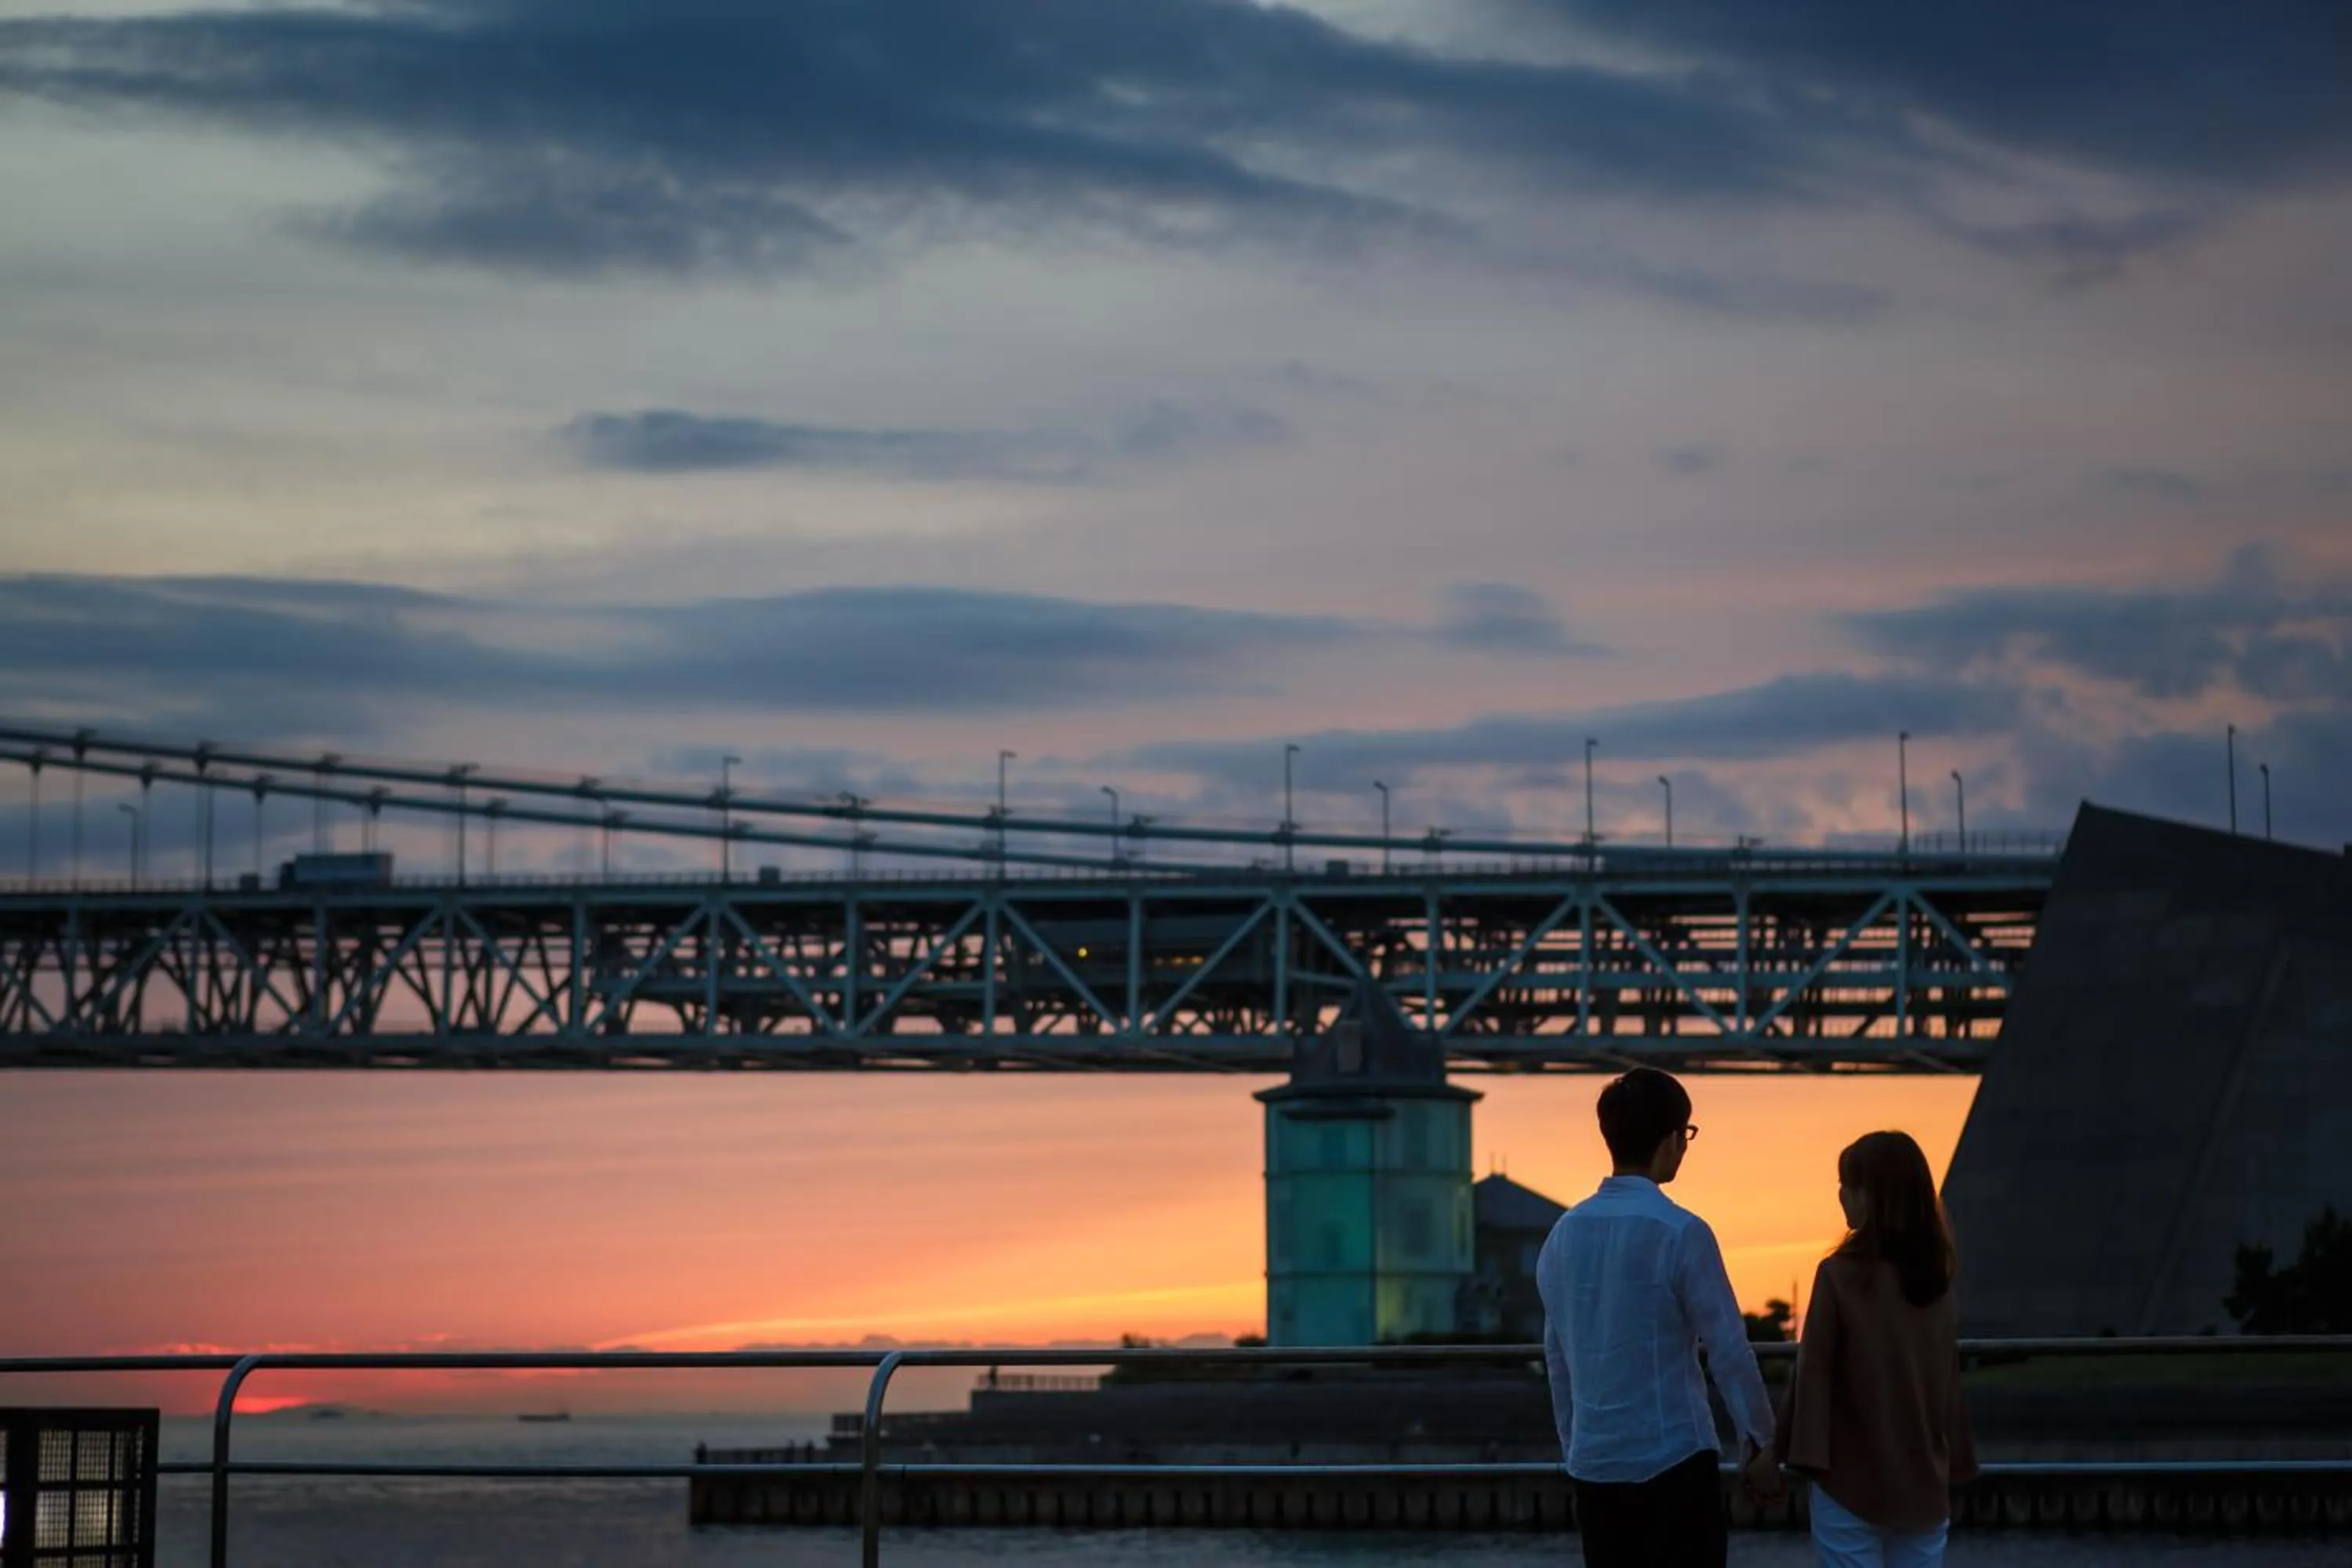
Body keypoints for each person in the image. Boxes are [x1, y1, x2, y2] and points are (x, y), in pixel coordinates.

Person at [1537, 1067, 1781, 1568]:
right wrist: (1760, 1443)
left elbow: (1557, 1358)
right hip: (1675, 1460)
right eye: (1687, 1134)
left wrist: (1574, 1444)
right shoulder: (1681, 1231)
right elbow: (1729, 1352)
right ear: (1672, 1139)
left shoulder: (1563, 1235)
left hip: (1595, 1466)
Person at [1774, 1131, 1978, 1567]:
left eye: (1849, 1184)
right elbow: (1947, 1385)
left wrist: (1776, 1454)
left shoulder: (1838, 1275)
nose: (1840, 1195)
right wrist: (1955, 1461)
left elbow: (1813, 1374)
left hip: (1848, 1482)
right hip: (1922, 1483)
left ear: (1873, 1196)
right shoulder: (1938, 1284)